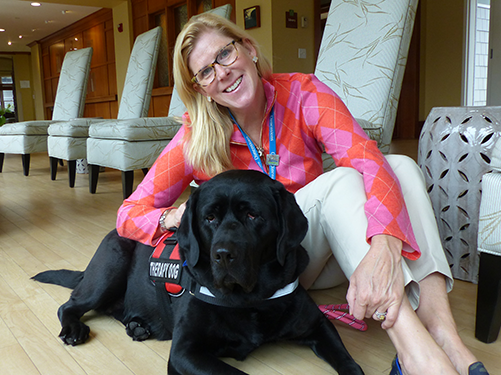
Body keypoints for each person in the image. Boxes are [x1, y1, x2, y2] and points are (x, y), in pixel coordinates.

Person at [116, 13, 489, 375]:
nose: (222, 72)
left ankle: (444, 335)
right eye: (206, 71)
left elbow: (367, 159)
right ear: (200, 89)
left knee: (400, 167)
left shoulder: (303, 92)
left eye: (224, 54)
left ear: (248, 48)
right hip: (259, 268)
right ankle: (417, 354)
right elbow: (127, 214)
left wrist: (385, 243)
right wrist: (171, 217)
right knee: (344, 181)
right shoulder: (196, 136)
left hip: (305, 250)